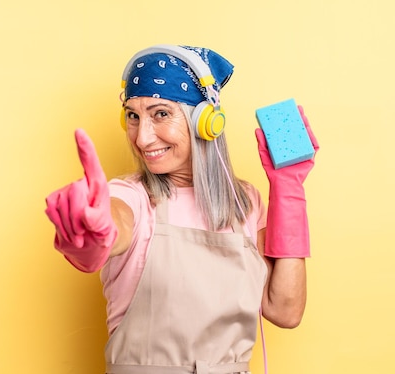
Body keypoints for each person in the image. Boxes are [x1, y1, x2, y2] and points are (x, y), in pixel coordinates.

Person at [44, 44, 319, 374]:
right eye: (133, 116)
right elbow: (114, 223)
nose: (143, 138)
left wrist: (288, 191)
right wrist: (92, 236)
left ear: (206, 122)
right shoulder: (132, 196)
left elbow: (285, 310)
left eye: (160, 113)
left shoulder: (245, 202)